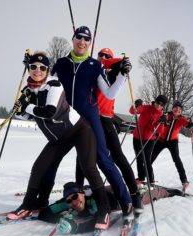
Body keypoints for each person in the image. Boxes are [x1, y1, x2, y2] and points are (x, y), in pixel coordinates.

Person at [8, 51, 111, 230]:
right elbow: (29, 116)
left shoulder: (54, 85)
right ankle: (28, 205)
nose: (37, 70)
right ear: (29, 69)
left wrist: (27, 106)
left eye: (42, 67)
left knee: (88, 167)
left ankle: (104, 208)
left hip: (78, 130)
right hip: (59, 137)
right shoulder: (27, 90)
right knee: (39, 167)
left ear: (47, 69)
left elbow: (49, 112)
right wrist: (18, 110)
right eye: (33, 67)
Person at [51, 26, 134, 220]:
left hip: (89, 119)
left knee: (102, 159)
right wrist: (33, 68)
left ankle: (125, 200)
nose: (82, 41)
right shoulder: (61, 63)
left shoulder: (94, 65)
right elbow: (48, 84)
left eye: (86, 39)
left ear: (89, 43)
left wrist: (122, 74)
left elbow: (109, 93)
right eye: (79, 37)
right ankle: (36, 202)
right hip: (66, 119)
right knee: (52, 158)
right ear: (73, 39)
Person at [75, 47, 143, 213]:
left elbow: (118, 69)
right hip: (89, 118)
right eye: (100, 55)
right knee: (82, 156)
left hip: (105, 120)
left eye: (107, 56)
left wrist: (124, 65)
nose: (103, 57)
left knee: (118, 157)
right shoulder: (92, 71)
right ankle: (78, 192)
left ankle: (134, 195)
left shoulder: (112, 73)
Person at [38, 182, 183, 234]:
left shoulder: (95, 201)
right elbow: (44, 213)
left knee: (146, 195)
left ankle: (169, 192)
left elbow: (100, 222)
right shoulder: (69, 201)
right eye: (69, 201)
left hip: (117, 199)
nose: (73, 203)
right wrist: (59, 218)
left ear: (81, 194)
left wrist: (75, 227)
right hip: (105, 191)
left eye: (75, 197)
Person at [152, 100, 193, 191]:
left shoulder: (181, 119)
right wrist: (161, 119)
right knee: (151, 158)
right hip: (161, 140)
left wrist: (190, 124)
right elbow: (159, 120)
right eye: (175, 108)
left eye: (179, 109)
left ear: (181, 111)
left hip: (173, 142)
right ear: (172, 108)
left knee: (177, 160)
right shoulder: (167, 115)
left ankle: (184, 181)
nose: (177, 110)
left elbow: (187, 124)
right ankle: (146, 177)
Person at [129, 95, 167, 185]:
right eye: (158, 103)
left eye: (161, 105)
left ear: (163, 106)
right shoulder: (146, 108)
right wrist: (136, 105)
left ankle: (151, 180)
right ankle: (141, 178)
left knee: (147, 160)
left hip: (149, 140)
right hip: (137, 137)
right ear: (155, 101)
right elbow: (132, 111)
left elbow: (160, 131)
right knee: (139, 158)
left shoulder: (161, 115)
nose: (159, 105)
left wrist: (162, 123)